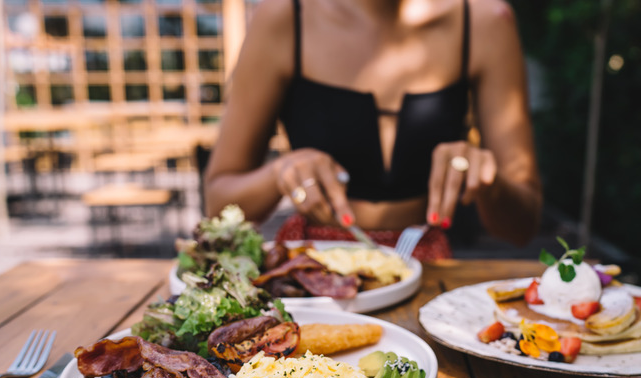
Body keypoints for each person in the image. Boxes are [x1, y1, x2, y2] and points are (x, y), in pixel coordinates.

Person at [204, 0, 542, 261]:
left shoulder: (485, 21)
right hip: (307, 267)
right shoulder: (285, 17)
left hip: (424, 263)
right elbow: (217, 203)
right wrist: (281, 172)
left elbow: (522, 227)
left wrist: (487, 181)